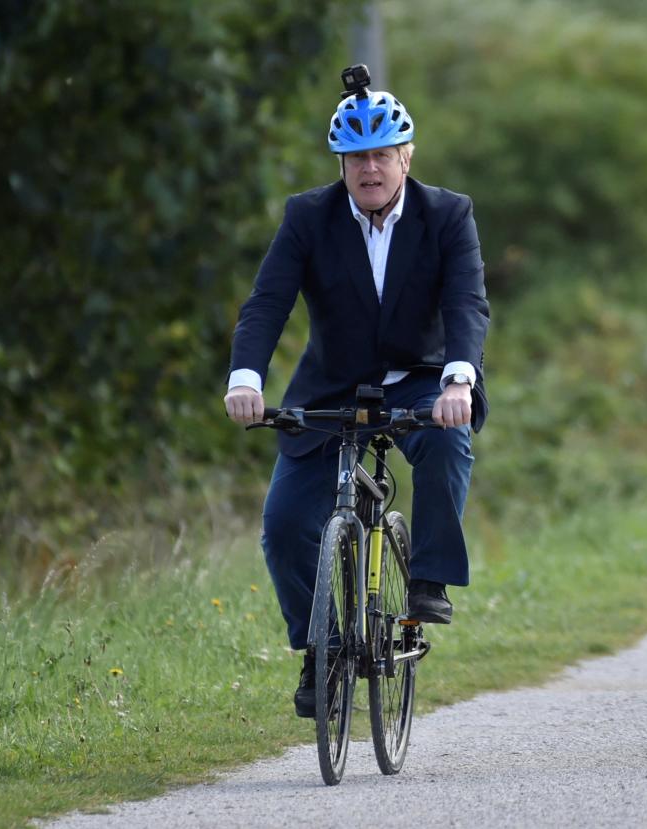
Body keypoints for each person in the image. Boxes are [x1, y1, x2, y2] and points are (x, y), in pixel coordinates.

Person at [223, 70, 490, 718]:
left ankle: (426, 579)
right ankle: (325, 647)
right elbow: (267, 304)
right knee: (286, 525)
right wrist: (246, 377)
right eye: (356, 158)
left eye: (381, 155)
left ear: (405, 157)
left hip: (423, 378)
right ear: (341, 162)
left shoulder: (447, 214)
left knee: (447, 442)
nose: (369, 168)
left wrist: (459, 377)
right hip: (331, 385)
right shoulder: (307, 218)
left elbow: (466, 304)